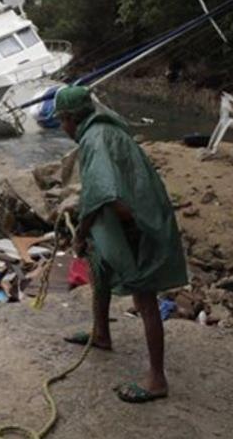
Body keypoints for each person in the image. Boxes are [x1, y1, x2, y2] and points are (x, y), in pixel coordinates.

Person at [54, 85, 188, 403]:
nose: (62, 127)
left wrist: (81, 231)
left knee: (144, 297)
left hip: (135, 221)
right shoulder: (102, 128)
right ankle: (101, 333)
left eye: (61, 121)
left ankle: (157, 379)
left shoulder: (94, 139)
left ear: (70, 118)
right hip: (127, 216)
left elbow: (103, 195)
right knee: (98, 265)